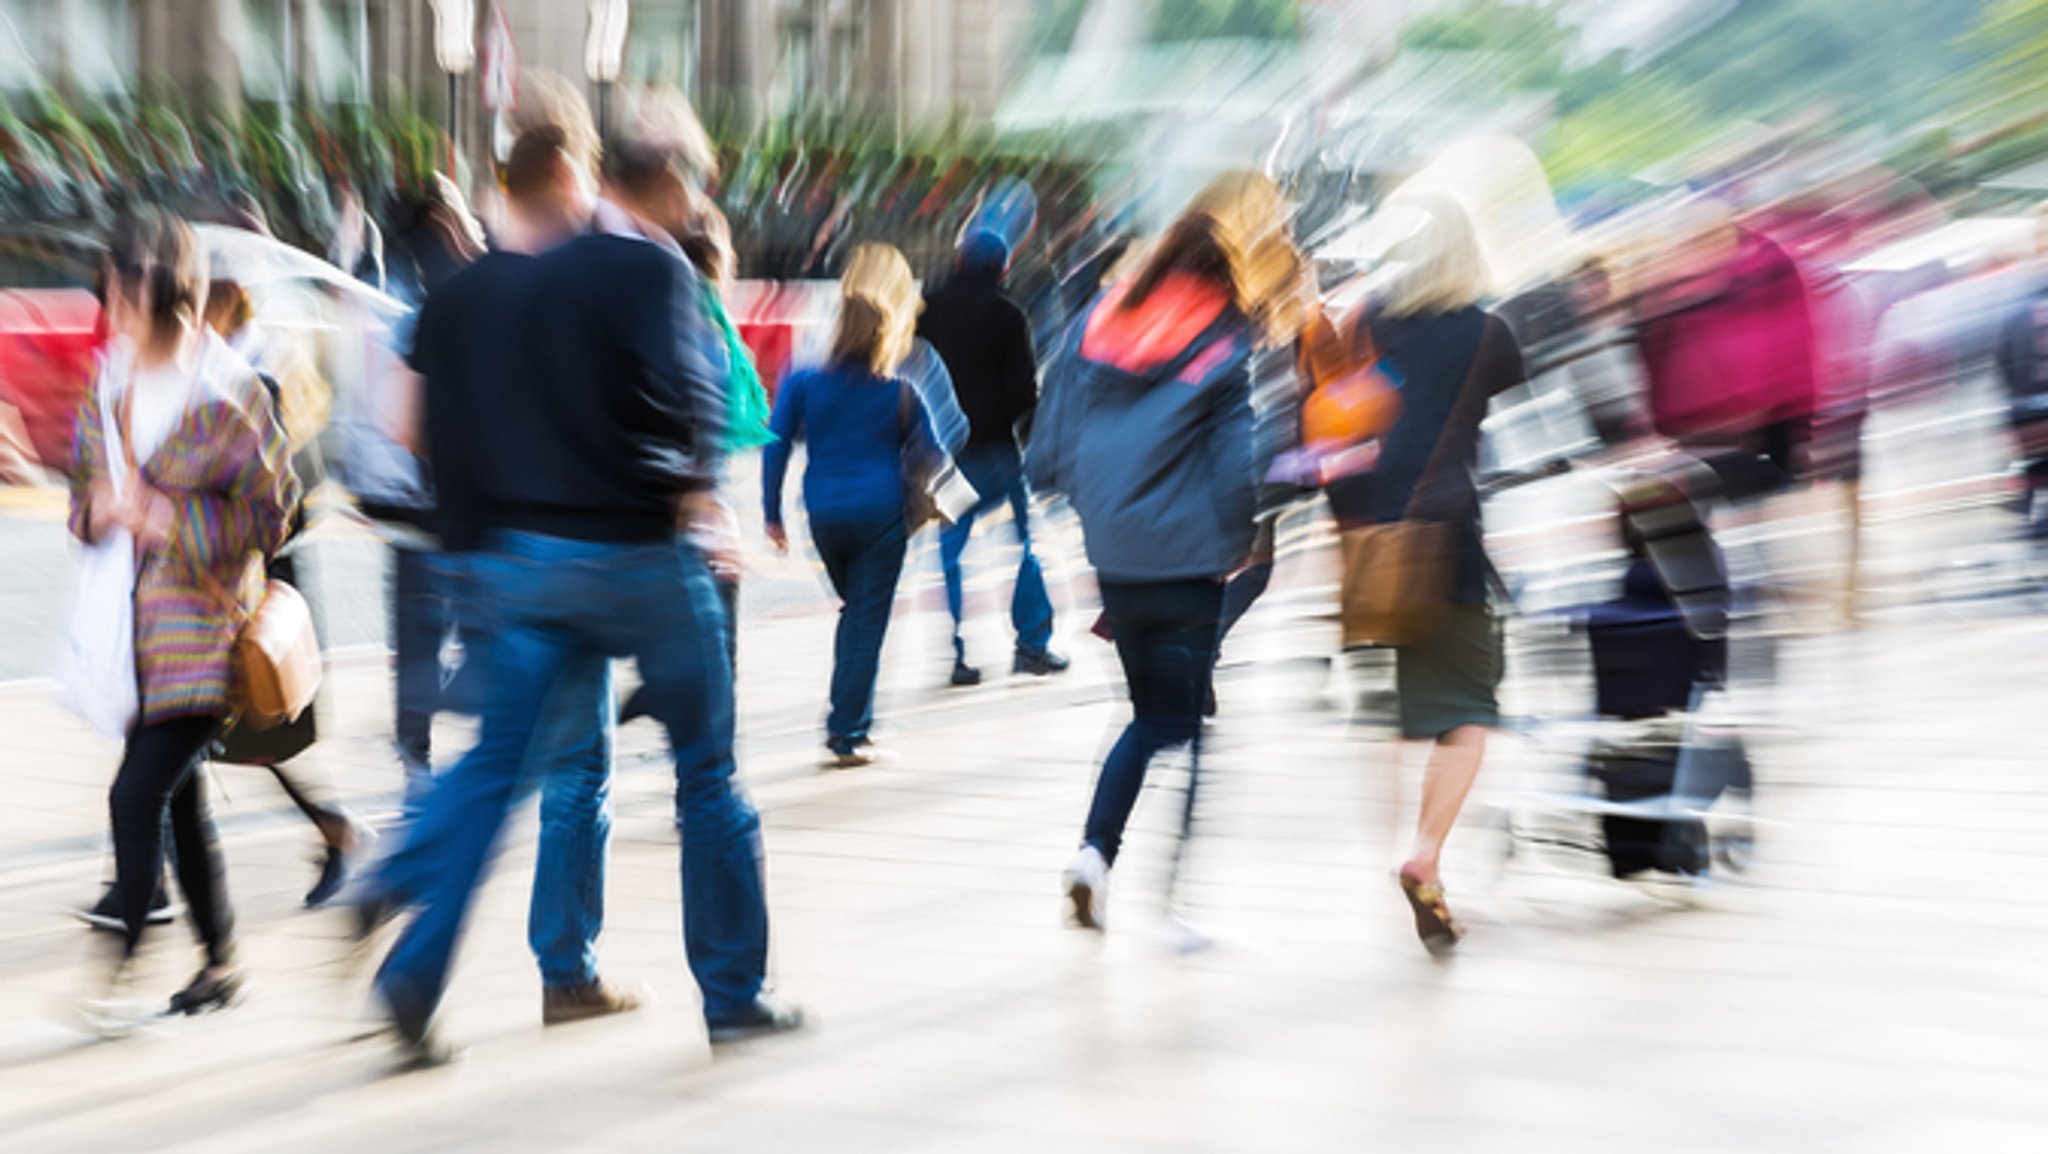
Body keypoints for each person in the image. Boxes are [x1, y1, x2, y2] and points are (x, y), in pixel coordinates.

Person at [360, 123, 798, 1061]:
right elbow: (698, 405)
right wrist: (693, 504)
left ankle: (413, 968)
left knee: (507, 771)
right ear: (585, 178)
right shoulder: (650, 271)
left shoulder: (480, 288)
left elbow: (419, 423)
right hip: (637, 556)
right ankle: (733, 994)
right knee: (709, 777)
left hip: (521, 563)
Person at [68, 206, 299, 1026]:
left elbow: (276, 514)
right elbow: (80, 499)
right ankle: (221, 961)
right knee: (182, 802)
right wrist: (99, 510)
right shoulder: (109, 383)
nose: (115, 311)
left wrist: (172, 522)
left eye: (128, 293)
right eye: (112, 292)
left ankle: (118, 970)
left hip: (202, 642)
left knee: (136, 799)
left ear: (169, 296)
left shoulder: (229, 395)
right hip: (128, 645)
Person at [1025, 198, 1269, 932]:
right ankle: (1175, 903)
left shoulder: (1095, 324)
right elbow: (1235, 461)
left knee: (1147, 717)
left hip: (1116, 559)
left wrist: (1097, 506)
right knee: (1187, 724)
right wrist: (1240, 536)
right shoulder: (1223, 342)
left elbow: (1046, 452)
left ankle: (1094, 858)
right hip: (1189, 558)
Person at [1327, 192, 1527, 956]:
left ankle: (1410, 854)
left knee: (1407, 711)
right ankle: (1425, 856)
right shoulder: (1490, 333)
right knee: (1470, 712)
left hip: (1377, 539)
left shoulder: (1371, 317)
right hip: (1450, 540)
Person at [761, 244, 942, 768]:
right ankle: (848, 732)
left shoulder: (803, 383)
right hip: (882, 520)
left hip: (825, 519)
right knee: (865, 621)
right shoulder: (900, 391)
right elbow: (935, 454)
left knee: (853, 614)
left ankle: (848, 720)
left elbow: (774, 446)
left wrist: (771, 514)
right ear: (884, 335)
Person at [918, 230, 1067, 686]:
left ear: (959, 259)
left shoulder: (928, 310)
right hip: (999, 449)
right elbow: (1024, 392)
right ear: (1002, 268)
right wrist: (1038, 441)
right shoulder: (1009, 315)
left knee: (950, 552)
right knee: (1022, 544)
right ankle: (1032, 644)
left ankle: (958, 655)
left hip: (948, 456)